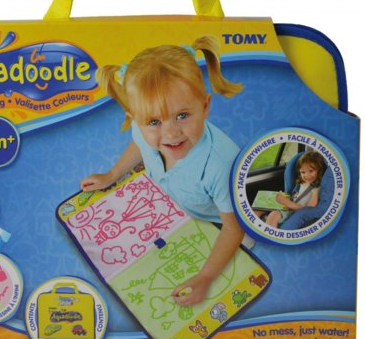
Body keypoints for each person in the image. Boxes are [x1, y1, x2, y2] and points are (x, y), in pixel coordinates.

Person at [81, 35, 245, 307]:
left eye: (182, 115)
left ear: (205, 106)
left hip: (224, 223)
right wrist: (112, 174)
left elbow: (234, 229)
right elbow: (139, 143)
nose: (171, 132)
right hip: (180, 211)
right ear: (136, 118)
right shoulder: (143, 130)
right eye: (154, 122)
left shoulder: (221, 167)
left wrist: (205, 277)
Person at [265, 151, 325, 227]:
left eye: (311, 171)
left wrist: (286, 202)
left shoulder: (316, 189)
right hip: (290, 207)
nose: (307, 175)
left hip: (297, 212)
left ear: (319, 170)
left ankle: (269, 233)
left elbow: (309, 209)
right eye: (303, 172)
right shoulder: (301, 183)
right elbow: (295, 196)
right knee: (259, 209)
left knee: (273, 215)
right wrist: (285, 197)